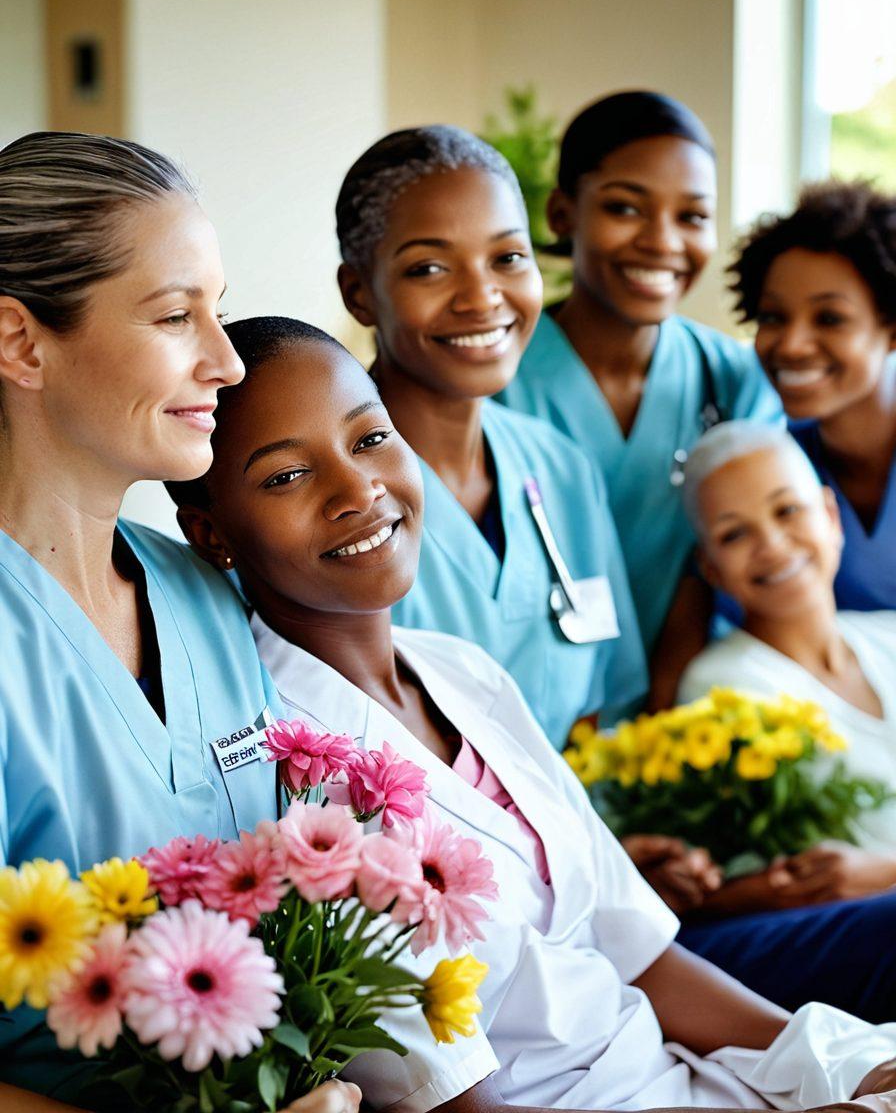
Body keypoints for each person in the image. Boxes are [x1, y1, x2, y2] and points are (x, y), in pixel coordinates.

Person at [171, 315, 896, 1113]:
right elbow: (452, 1103)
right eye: (285, 477)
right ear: (212, 535)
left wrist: (850, 1066)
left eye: (370, 438)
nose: (358, 490)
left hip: (689, 1076)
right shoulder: (285, 793)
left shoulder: (463, 673)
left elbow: (642, 956)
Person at [0, 133, 357, 1113]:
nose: (228, 362)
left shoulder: (200, 594)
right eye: (174, 317)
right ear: (22, 343)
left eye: (221, 311)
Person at [333, 125, 646, 745]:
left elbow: (613, 700)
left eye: (508, 258)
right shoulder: (333, 495)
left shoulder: (562, 470)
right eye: (428, 268)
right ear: (361, 294)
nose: (482, 297)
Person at [495, 91, 782, 705]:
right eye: (626, 207)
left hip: (701, 713)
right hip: (533, 720)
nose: (662, 241)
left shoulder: (733, 379)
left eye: (693, 216)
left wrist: (665, 714)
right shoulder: (494, 381)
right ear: (563, 213)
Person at [670, 420, 896, 1019]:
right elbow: (807, 878)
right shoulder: (724, 690)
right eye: (735, 534)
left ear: (831, 515)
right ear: (711, 568)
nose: (771, 545)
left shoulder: (889, 636)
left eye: (788, 511)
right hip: (852, 945)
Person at [730, 180, 896, 611]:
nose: (791, 345)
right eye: (773, 316)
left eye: (829, 318)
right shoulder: (774, 463)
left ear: (891, 330)